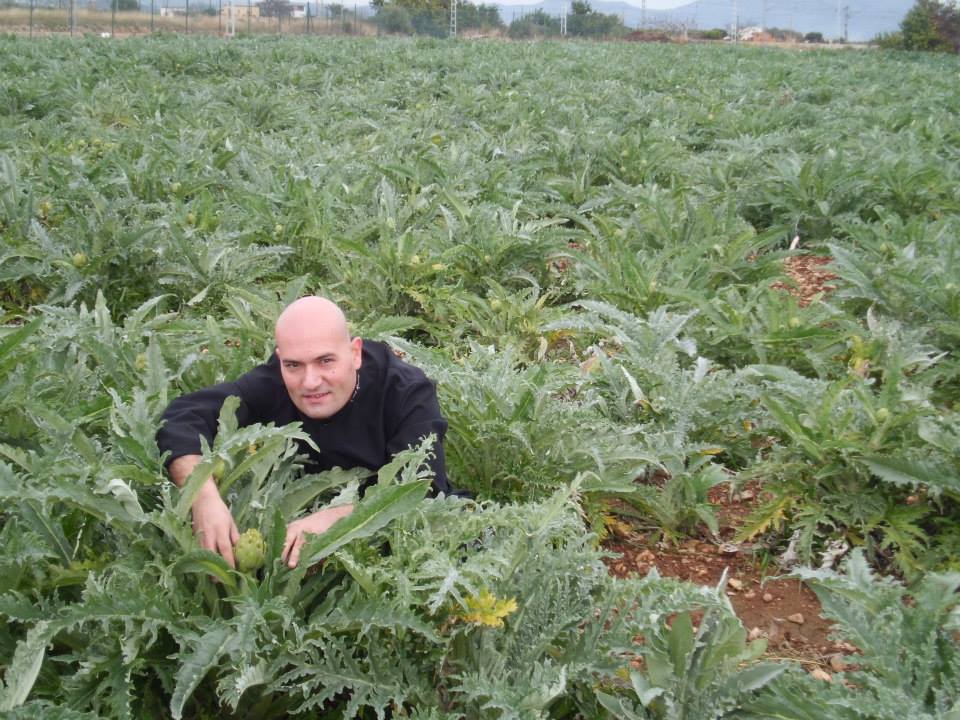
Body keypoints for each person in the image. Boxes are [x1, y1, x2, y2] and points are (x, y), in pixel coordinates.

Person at [156, 296, 457, 570]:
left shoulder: (406, 392)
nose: (310, 382)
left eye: (326, 361)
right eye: (293, 365)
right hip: (289, 555)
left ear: (355, 353)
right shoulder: (275, 380)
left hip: (388, 558)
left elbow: (421, 488)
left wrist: (337, 518)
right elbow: (183, 416)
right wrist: (201, 495)